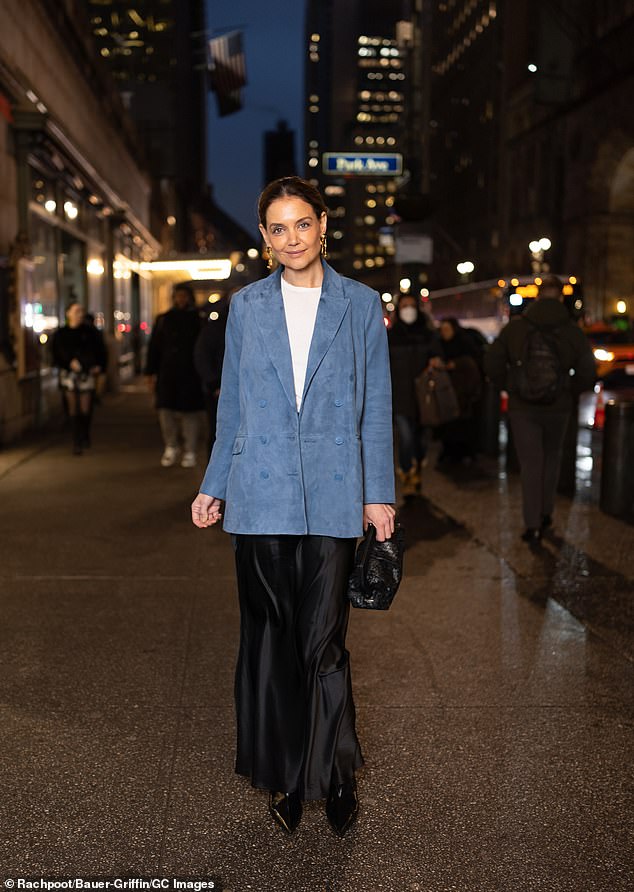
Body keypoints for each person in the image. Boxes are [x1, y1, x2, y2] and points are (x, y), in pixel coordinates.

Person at [190, 176, 395, 838]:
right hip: (261, 494)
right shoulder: (246, 307)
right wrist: (214, 482)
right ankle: (281, 773)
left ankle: (334, 773)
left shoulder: (360, 305)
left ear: (324, 224)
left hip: (334, 497)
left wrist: (379, 493)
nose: (292, 239)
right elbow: (232, 406)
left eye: (301, 224)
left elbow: (377, 407)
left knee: (325, 643)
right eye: (278, 229)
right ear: (265, 238)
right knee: (273, 644)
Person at [485, 275, 596, 543]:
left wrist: (510, 386)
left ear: (537, 296)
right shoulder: (572, 330)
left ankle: (531, 524)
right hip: (558, 407)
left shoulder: (517, 327)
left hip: (523, 407)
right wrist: (568, 390)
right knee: (552, 459)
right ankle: (546, 514)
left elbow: (492, 361)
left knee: (530, 464)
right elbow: (588, 372)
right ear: (560, 297)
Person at [145, 284, 205, 468]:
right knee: (165, 410)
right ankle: (171, 446)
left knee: (190, 413)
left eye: (184, 296)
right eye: (178, 296)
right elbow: (154, 348)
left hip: (191, 373)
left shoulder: (198, 319)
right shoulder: (164, 319)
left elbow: (203, 348)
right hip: (168, 372)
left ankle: (190, 449)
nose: (181, 299)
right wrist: (150, 372)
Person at [388, 295, 440, 495]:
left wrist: (435, 362)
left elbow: (437, 356)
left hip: (423, 397)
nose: (408, 309)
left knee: (420, 438)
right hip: (399, 396)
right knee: (406, 437)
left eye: (411, 305)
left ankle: (417, 467)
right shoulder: (391, 336)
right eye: (404, 306)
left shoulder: (427, 334)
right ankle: (406, 471)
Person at [52, 302, 107, 455]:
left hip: (86, 372)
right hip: (69, 374)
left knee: (85, 406)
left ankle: (84, 434)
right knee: (72, 407)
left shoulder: (90, 333)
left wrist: (98, 366)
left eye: (81, 311)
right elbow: (57, 353)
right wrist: (69, 362)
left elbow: (100, 351)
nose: (79, 314)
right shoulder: (61, 334)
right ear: (68, 313)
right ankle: (76, 439)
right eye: (75, 311)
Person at [434, 317, 482, 464]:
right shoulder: (439, 345)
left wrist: (453, 365)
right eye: (442, 330)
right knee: (449, 426)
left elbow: (473, 365)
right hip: (447, 393)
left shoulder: (465, 344)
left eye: (447, 329)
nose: (445, 333)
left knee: (463, 426)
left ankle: (465, 453)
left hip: (463, 394)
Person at [193, 294, 230, 457]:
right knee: (218, 432)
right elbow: (202, 356)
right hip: (218, 389)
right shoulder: (215, 329)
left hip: (230, 388)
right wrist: (214, 384)